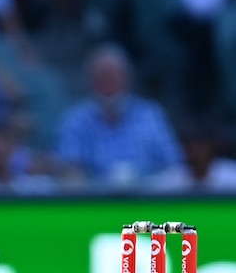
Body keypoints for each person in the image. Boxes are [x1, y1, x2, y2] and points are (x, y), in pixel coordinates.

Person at [53, 43, 185, 189]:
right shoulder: (74, 121)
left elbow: (174, 165)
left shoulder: (151, 115)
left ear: (127, 80)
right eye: (102, 79)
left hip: (148, 202)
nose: (108, 86)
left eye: (113, 78)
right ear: (90, 82)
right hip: (95, 204)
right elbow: (67, 172)